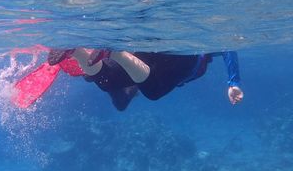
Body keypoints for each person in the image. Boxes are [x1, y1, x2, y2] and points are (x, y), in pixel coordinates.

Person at [48, 48, 244, 111]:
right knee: (153, 91)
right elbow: (228, 47)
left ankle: (76, 51)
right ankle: (115, 52)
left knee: (108, 80)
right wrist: (233, 83)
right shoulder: (202, 53)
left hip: (146, 48)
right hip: (184, 58)